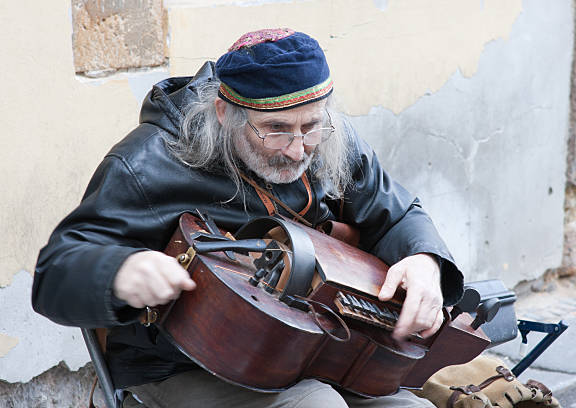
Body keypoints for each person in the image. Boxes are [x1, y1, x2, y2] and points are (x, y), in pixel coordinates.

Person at [32, 28, 464, 408]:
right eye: (275, 130)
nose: (298, 149)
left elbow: (399, 213)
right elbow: (55, 274)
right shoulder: (144, 164)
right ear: (225, 113)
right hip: (186, 362)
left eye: (311, 126)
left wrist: (424, 260)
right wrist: (119, 273)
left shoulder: (327, 136)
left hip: (312, 344)